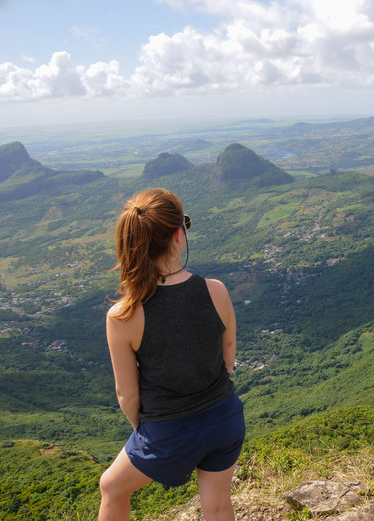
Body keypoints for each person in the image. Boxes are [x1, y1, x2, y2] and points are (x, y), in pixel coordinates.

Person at [99, 187, 245, 521]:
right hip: (225, 418)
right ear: (179, 235)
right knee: (219, 506)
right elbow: (228, 361)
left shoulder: (124, 315)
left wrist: (153, 437)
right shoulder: (216, 291)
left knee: (111, 487)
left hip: (169, 429)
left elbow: (127, 395)